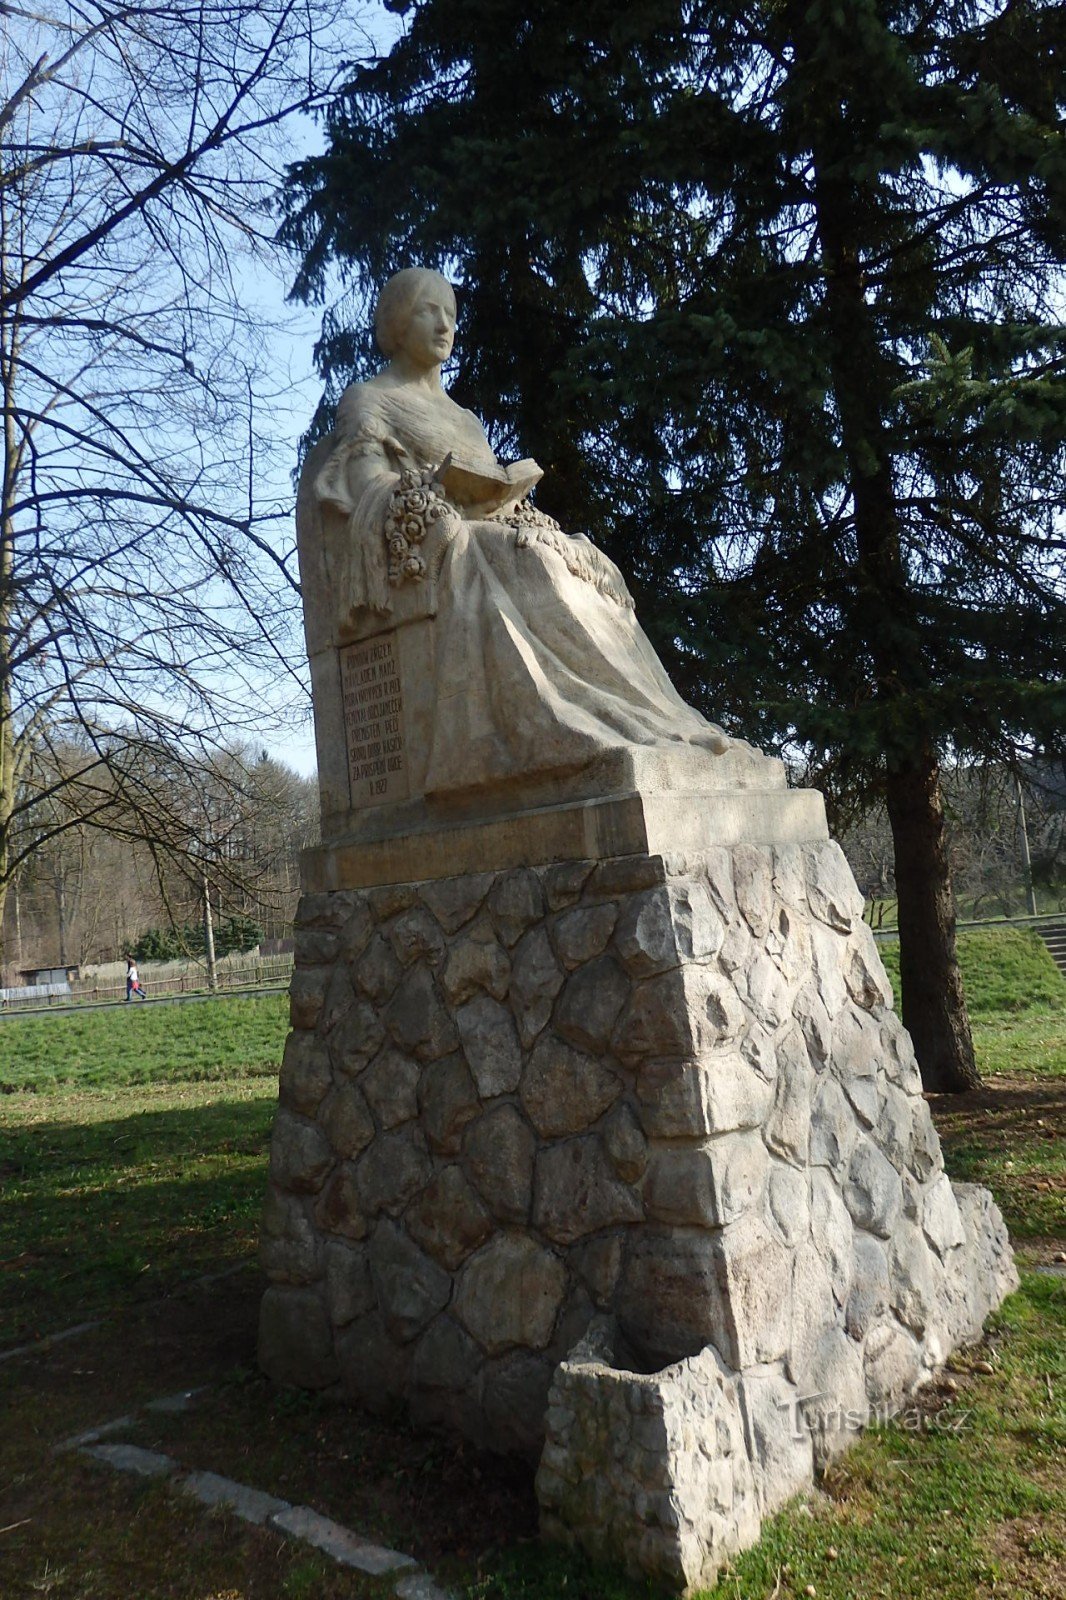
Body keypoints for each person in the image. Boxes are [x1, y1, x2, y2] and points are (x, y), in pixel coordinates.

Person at [302, 266, 771, 799]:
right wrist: (438, 498)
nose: (444, 324)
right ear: (397, 320)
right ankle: (583, 727)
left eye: (452, 314)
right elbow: (365, 488)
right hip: (439, 537)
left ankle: (660, 720)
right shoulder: (369, 399)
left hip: (491, 527)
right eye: (429, 310)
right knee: (530, 561)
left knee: (578, 560)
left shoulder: (466, 420)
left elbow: (491, 488)